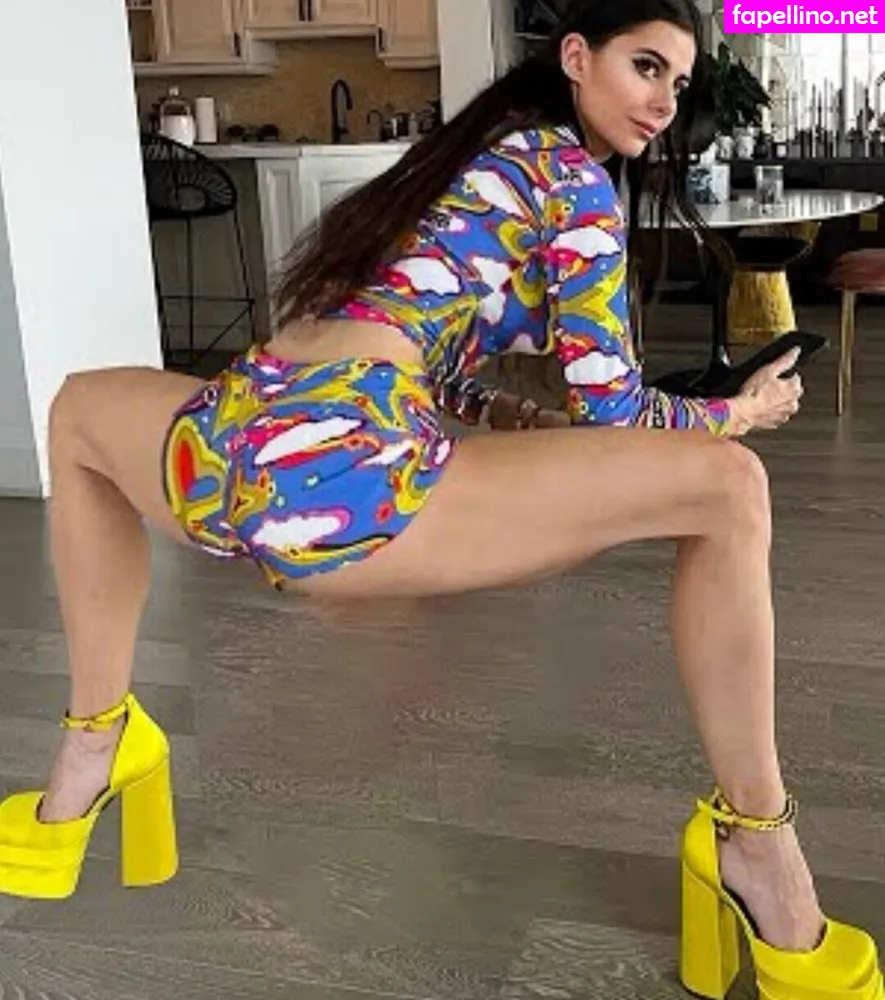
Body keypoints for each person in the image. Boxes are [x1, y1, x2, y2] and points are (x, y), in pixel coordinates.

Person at [1, 0, 881, 994]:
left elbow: (419, 347)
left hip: (229, 439)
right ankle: (757, 845)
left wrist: (514, 421)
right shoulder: (572, 179)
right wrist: (735, 411)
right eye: (646, 67)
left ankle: (95, 744)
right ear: (577, 57)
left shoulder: (468, 159)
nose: (664, 101)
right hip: (344, 477)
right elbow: (615, 408)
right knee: (730, 487)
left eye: (678, 83)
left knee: (78, 411)